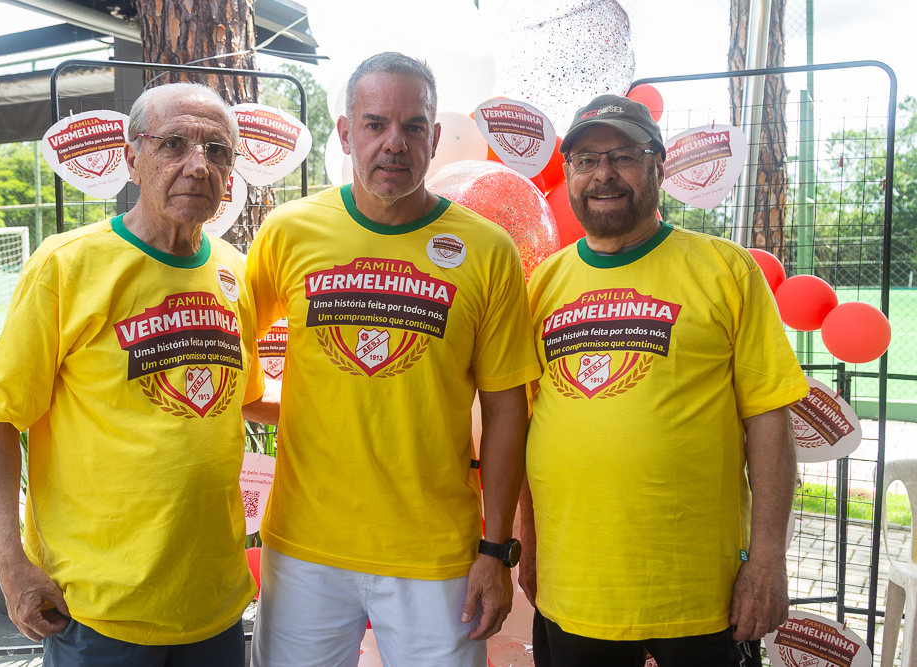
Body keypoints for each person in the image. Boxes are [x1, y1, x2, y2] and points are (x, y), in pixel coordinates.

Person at [246, 52, 541, 666]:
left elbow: (506, 409)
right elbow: (228, 353)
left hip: (436, 555)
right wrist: (282, 405)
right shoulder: (287, 232)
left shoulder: (487, 250)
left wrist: (496, 549)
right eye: (375, 124)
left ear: (435, 136)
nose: (394, 143)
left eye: (413, 126)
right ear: (345, 132)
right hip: (305, 549)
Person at [0, 82, 269, 666]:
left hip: (213, 602)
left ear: (231, 171)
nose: (198, 165)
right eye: (173, 143)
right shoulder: (66, 265)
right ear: (132, 158)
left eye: (216, 150)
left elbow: (247, 398)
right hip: (98, 612)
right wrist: (11, 564)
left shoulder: (235, 272)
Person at [519, 94, 810, 667]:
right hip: (576, 590)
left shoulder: (726, 270)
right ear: (570, 172)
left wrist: (768, 560)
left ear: (659, 164)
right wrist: (529, 545)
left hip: (699, 594)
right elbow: (528, 425)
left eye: (624, 155)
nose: (603, 174)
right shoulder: (543, 283)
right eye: (585, 160)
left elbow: (769, 417)